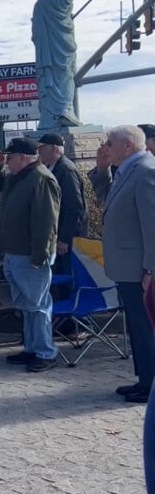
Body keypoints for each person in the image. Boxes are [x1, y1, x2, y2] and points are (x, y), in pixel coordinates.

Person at [0, 138, 61, 372]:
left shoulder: (41, 179)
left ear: (23, 157)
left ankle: (45, 351)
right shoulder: (18, 177)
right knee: (26, 305)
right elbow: (2, 185)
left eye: (10, 158)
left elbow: (45, 223)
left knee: (38, 305)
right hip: (15, 252)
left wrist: (39, 256)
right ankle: (31, 348)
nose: (7, 161)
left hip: (31, 255)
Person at [100, 125, 155, 405]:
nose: (106, 147)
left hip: (140, 269)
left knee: (145, 327)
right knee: (137, 326)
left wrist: (150, 269)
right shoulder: (128, 170)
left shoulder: (146, 171)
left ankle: (151, 386)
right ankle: (145, 379)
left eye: (110, 143)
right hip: (127, 267)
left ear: (129, 145)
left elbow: (152, 224)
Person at [31, 0, 82, 130]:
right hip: (59, 49)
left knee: (54, 81)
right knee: (64, 79)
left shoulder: (42, 2)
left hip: (51, 51)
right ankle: (62, 113)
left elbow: (35, 33)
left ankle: (61, 114)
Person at [36, 133, 88, 311]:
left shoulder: (66, 169)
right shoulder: (53, 168)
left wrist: (65, 238)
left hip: (68, 239)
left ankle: (76, 324)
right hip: (58, 236)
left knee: (69, 280)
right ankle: (66, 324)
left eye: (43, 147)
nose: (40, 151)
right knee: (59, 280)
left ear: (55, 148)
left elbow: (74, 207)